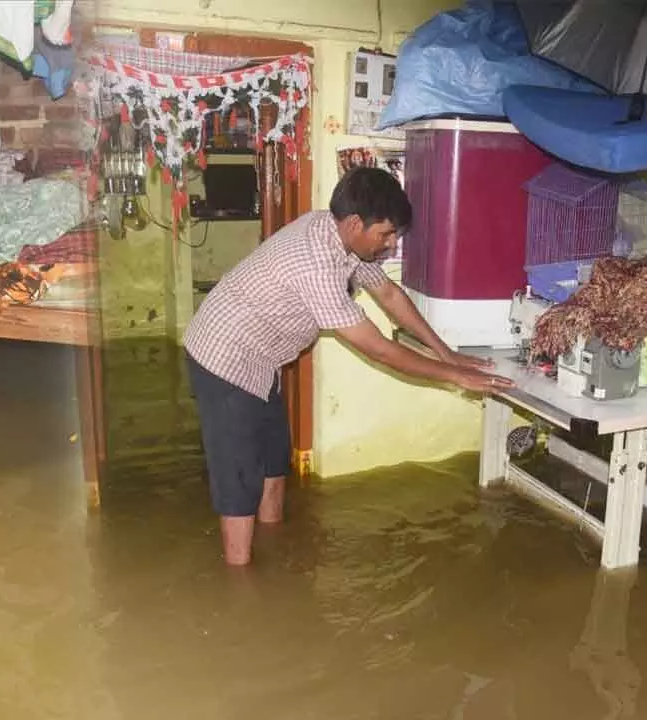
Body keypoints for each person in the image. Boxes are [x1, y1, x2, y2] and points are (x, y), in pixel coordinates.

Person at [183, 167, 515, 567]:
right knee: (239, 478)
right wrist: (456, 376)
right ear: (356, 224)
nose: (391, 245)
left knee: (273, 458)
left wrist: (447, 353)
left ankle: (273, 549)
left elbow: (389, 294)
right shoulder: (314, 260)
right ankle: (242, 584)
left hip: (263, 360)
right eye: (386, 234)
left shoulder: (345, 238)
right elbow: (379, 349)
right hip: (224, 355)